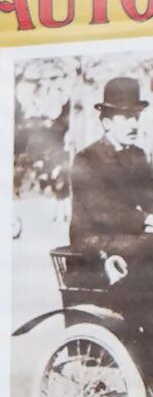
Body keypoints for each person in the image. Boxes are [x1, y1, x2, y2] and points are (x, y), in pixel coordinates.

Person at [70, 76, 153, 280]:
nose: (134, 124)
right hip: (94, 244)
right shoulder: (86, 159)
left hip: (128, 238)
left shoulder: (138, 156)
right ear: (107, 122)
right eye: (126, 118)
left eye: (136, 116)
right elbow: (103, 211)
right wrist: (147, 219)